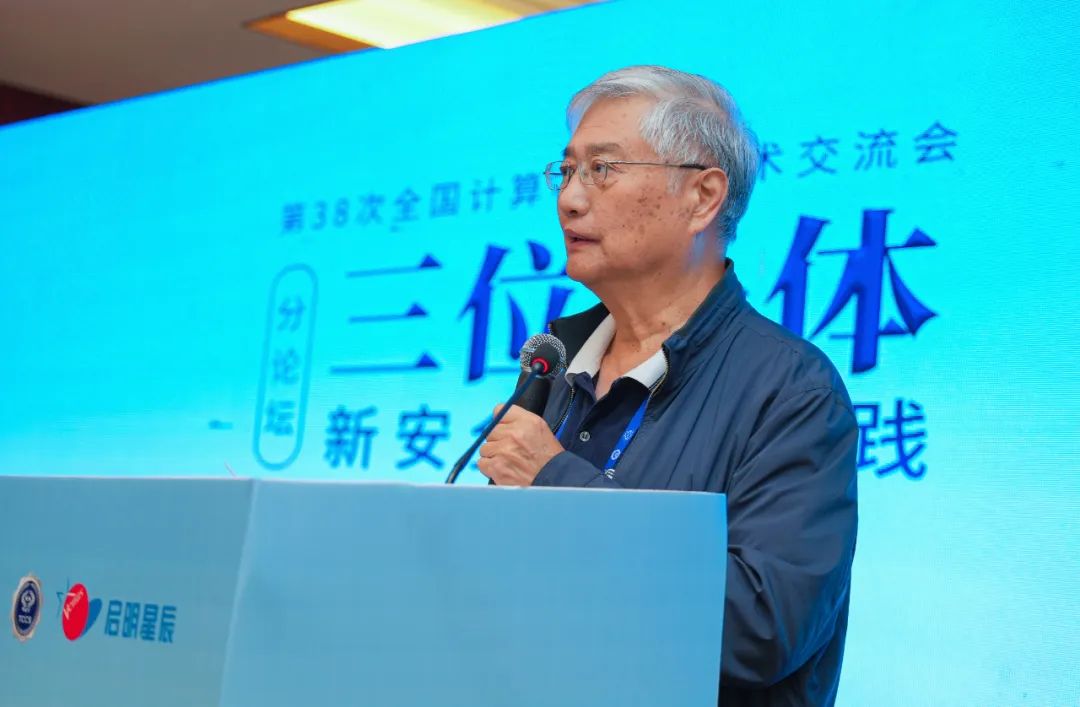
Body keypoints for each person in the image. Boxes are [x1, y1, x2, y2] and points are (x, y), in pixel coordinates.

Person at [476, 65, 858, 706]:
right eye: (566, 171)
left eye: (602, 169)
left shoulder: (792, 390)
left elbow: (760, 631)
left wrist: (556, 481)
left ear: (702, 198)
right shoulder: (556, 366)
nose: (569, 199)